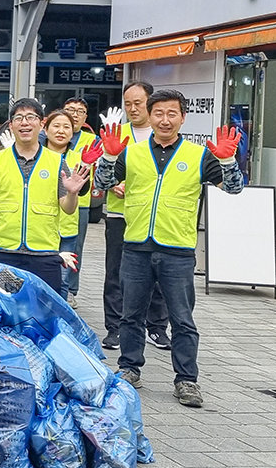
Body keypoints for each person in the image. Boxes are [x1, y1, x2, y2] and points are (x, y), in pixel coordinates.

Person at [95, 89, 243, 408]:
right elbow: (103, 183)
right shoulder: (131, 153)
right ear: (150, 116)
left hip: (177, 250)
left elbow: (234, 188)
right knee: (130, 314)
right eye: (158, 113)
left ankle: (186, 380)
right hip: (135, 246)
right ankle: (129, 368)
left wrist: (228, 159)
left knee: (182, 318)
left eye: (171, 113)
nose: (165, 119)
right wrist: (108, 156)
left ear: (183, 117)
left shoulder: (198, 155)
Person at [0, 98, 91, 294]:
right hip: (3, 252)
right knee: (3, 309)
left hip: (44, 253)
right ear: (11, 125)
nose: (24, 122)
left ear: (41, 124)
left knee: (43, 312)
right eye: (19, 118)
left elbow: (68, 208)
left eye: (31, 117)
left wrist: (72, 193)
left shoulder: (57, 162)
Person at [101, 81, 170, 351]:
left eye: (137, 103)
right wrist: (112, 184)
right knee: (116, 273)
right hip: (120, 215)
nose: (132, 109)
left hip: (157, 217)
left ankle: (157, 327)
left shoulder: (164, 135)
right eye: (127, 103)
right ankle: (115, 328)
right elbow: (101, 170)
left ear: (150, 104)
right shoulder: (116, 133)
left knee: (159, 273)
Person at [42, 109, 102, 298]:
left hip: (67, 228)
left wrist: (85, 167)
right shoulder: (36, 155)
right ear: (45, 129)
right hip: (39, 228)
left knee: (62, 279)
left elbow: (84, 191)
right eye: (56, 126)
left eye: (66, 127)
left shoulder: (80, 157)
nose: (61, 131)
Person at [60, 97, 102, 306]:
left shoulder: (92, 140)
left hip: (81, 203)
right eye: (70, 110)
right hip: (52, 201)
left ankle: (70, 290)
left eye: (79, 111)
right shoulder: (51, 136)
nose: (74, 114)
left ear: (85, 117)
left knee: (74, 248)